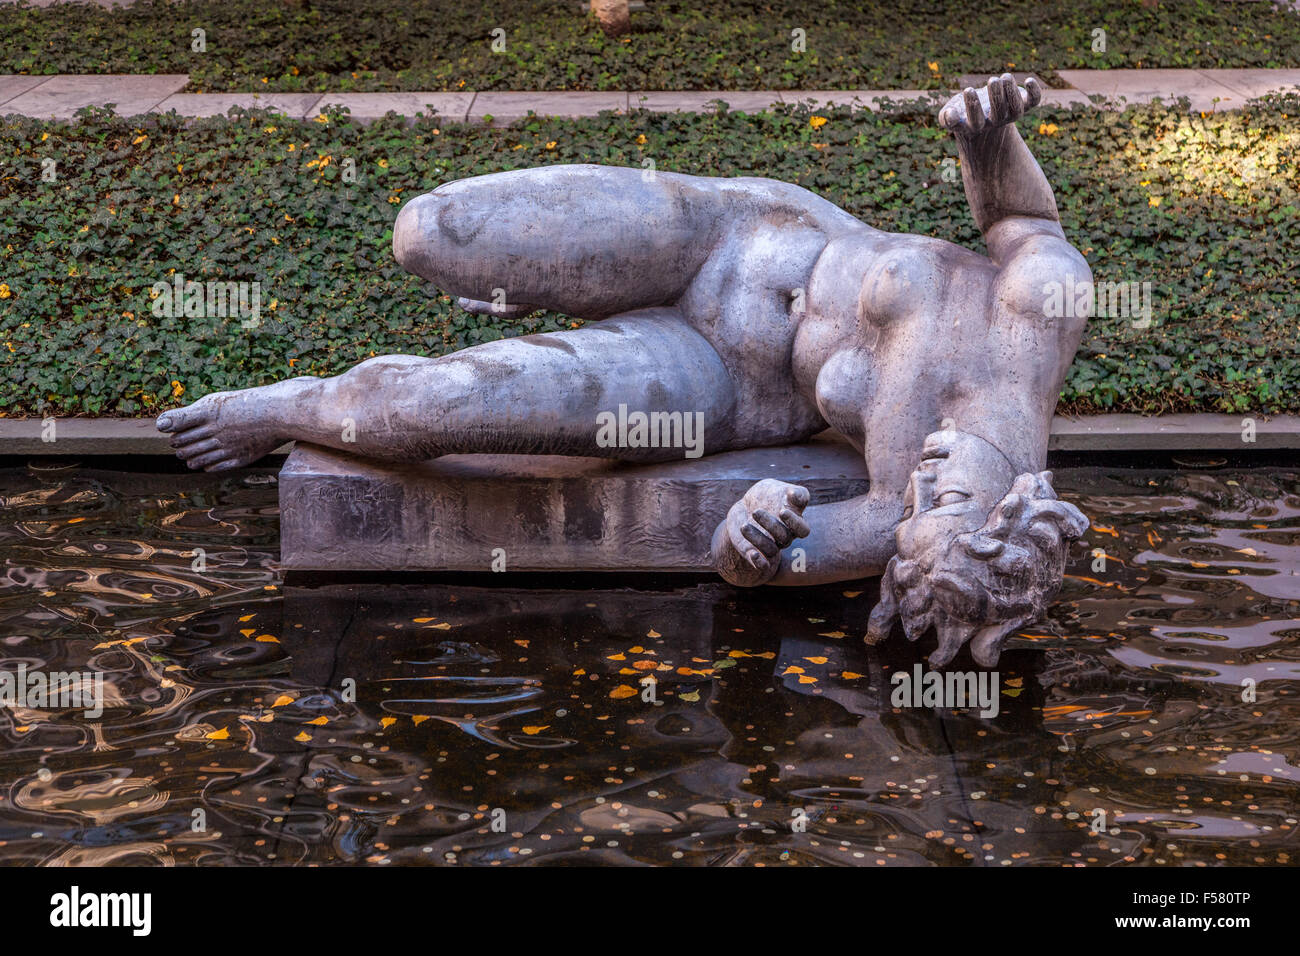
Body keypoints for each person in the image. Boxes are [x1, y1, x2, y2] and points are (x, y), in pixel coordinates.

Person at [157, 75, 1090, 667]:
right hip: (730, 234)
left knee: (429, 407)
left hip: (718, 380)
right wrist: (985, 136)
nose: (922, 484)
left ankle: (277, 408)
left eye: (920, 517)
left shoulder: (897, 519)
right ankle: (571, 292)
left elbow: (755, 568)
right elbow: (1023, 226)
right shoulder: (1040, 314)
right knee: (430, 230)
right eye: (948, 498)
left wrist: (748, 535)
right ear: (1013, 505)